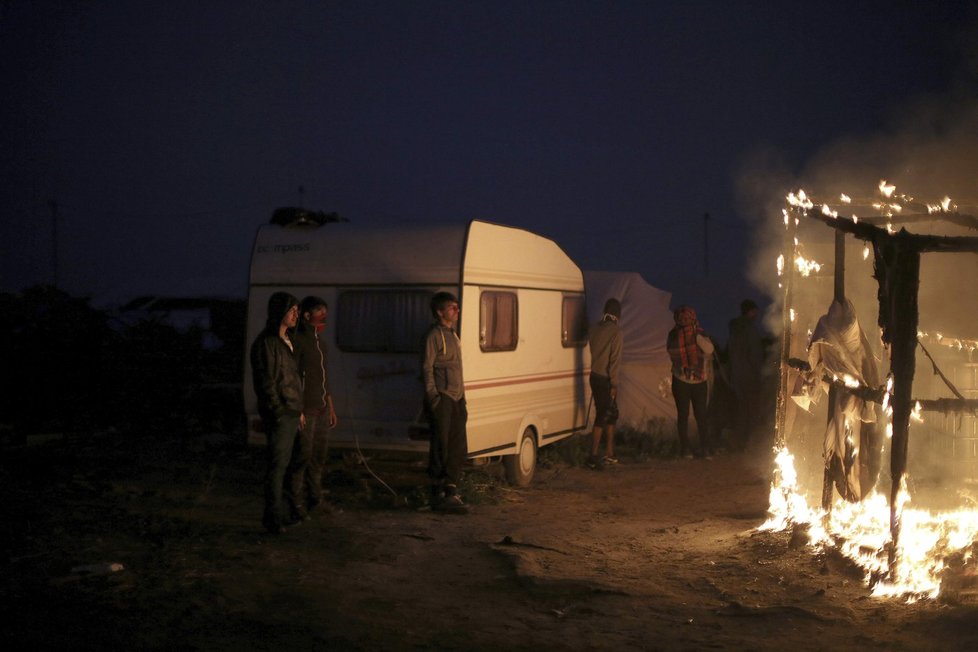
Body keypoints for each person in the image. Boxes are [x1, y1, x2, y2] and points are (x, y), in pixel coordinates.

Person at [250, 292, 305, 533]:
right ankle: (272, 519)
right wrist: (279, 412)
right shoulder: (267, 343)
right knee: (277, 466)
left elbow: (291, 380)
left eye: (297, 310)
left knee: (293, 462)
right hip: (281, 414)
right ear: (279, 312)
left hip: (293, 411)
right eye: (292, 310)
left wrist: (298, 410)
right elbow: (267, 383)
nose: (297, 314)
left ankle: (289, 511)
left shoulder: (286, 340)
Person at [290, 296, 339, 521]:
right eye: (320, 314)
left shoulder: (321, 342)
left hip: (320, 409)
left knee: (318, 456)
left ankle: (315, 500)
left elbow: (324, 378)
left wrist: (330, 406)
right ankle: (295, 503)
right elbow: (293, 378)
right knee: (302, 456)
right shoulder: (298, 341)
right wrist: (297, 409)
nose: (324, 319)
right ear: (307, 316)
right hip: (306, 409)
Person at [422, 292, 468, 512]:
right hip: (443, 397)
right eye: (452, 307)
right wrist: (434, 397)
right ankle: (437, 490)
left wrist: (463, 398)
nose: (456, 311)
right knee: (441, 443)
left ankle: (451, 488)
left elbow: (458, 368)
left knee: (458, 444)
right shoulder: (434, 335)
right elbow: (427, 367)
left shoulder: (453, 335)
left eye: (456, 307)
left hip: (458, 398)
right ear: (440, 312)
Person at [667, 305, 715, 458]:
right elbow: (709, 350)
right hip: (688, 380)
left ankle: (698, 448)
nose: (685, 321)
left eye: (687, 318)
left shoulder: (693, 334)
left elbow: (708, 349)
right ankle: (694, 449)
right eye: (683, 319)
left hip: (689, 379)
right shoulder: (677, 335)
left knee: (692, 416)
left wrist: (695, 337)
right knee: (691, 415)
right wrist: (695, 337)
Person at [587, 298, 623, 470]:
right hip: (605, 379)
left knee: (611, 413)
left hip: (594, 375)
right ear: (617, 315)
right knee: (603, 414)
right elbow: (614, 359)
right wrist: (614, 383)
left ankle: (609, 452)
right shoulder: (615, 331)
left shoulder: (594, 328)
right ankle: (593, 455)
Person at [727, 299, 764, 451]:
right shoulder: (749, 329)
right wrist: (759, 372)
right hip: (749, 375)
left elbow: (731, 353)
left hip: (737, 375)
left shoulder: (735, 330)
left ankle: (739, 442)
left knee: (741, 408)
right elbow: (754, 354)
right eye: (755, 311)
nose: (757, 314)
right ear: (751, 311)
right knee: (752, 410)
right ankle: (750, 444)